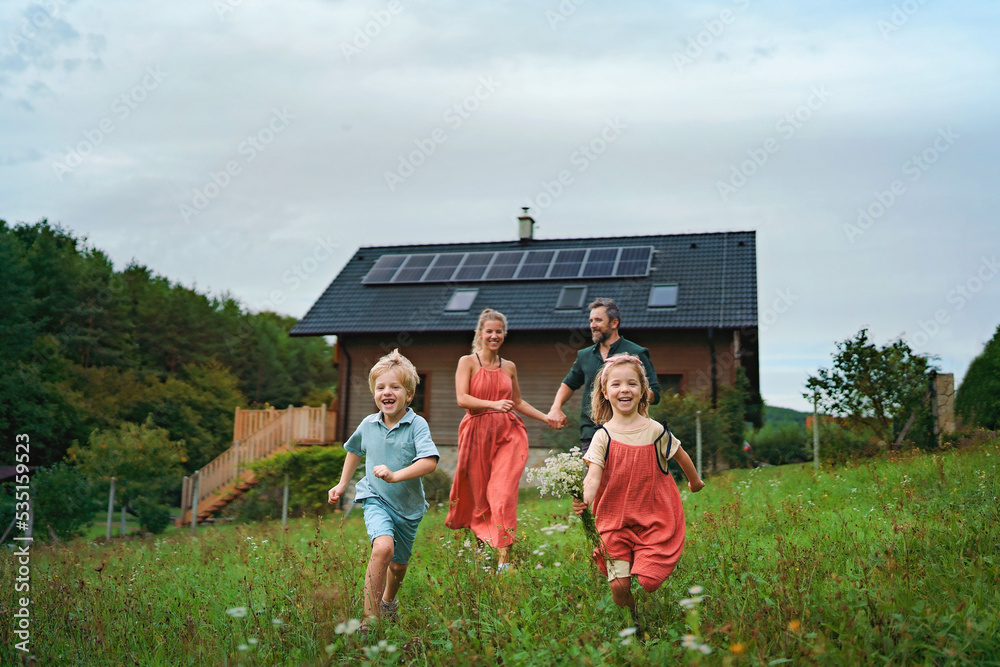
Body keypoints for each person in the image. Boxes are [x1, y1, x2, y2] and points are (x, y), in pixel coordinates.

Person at [572, 354, 704, 626]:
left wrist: (694, 481)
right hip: (613, 520)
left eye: (632, 383)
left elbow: (681, 455)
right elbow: (593, 476)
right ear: (605, 393)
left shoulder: (655, 430)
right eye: (616, 384)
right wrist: (584, 499)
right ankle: (634, 623)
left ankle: (646, 584)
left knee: (648, 579)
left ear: (643, 390)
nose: (624, 389)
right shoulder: (602, 436)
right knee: (619, 588)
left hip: (651, 518)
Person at [328, 349, 439, 632]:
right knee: (383, 548)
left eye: (395, 387)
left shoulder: (417, 425)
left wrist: (395, 475)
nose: (387, 392)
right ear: (374, 393)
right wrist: (342, 484)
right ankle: (369, 620)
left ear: (409, 395)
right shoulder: (368, 424)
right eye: (380, 387)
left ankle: (389, 602)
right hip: (375, 498)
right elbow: (354, 451)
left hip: (409, 508)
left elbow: (429, 462)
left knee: (398, 566)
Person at [445, 308, 551, 572]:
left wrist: (546, 418)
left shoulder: (509, 366)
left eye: (499, 331)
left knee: (502, 495)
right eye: (489, 331)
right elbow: (462, 399)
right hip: (476, 434)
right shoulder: (467, 362)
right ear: (480, 334)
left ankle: (505, 562)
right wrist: (493, 403)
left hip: (507, 434)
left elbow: (516, 402)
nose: (494, 336)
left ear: (504, 334)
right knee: (478, 497)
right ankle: (479, 557)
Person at [547, 297, 661, 451]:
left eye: (598, 320)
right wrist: (556, 407)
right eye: (591, 321)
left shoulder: (636, 353)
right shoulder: (584, 355)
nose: (593, 325)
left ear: (614, 323)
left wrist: (631, 392)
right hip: (591, 433)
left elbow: (655, 393)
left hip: (628, 432)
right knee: (593, 476)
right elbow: (569, 383)